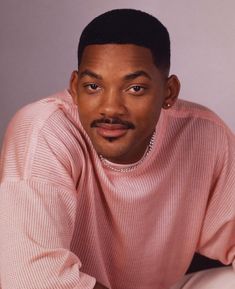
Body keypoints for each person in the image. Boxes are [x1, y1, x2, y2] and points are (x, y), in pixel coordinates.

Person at [0, 8, 234, 289]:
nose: (110, 108)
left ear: (169, 92)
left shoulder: (204, 133)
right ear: (74, 87)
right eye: (93, 86)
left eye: (135, 88)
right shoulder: (45, 130)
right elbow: (28, 277)